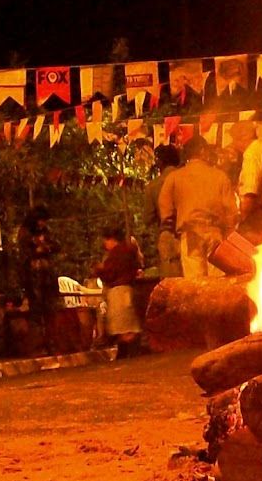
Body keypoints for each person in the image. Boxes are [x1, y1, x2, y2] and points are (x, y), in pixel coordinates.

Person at [157, 136, 235, 278]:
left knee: (195, 281)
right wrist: (229, 234)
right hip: (215, 234)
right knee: (217, 281)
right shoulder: (220, 176)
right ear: (203, 151)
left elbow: (165, 208)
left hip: (190, 234)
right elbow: (231, 211)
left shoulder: (175, 177)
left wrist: (168, 231)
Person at [94, 226, 143, 358]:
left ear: (112, 239)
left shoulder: (117, 254)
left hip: (119, 290)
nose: (105, 244)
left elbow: (110, 274)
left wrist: (99, 270)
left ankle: (129, 352)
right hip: (127, 289)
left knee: (124, 326)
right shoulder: (129, 251)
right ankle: (126, 352)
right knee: (126, 325)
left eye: (106, 240)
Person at [145, 144, 184, 278]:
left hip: (168, 235)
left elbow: (148, 218)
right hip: (191, 234)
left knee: (171, 285)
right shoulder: (189, 178)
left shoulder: (153, 186)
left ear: (160, 162)